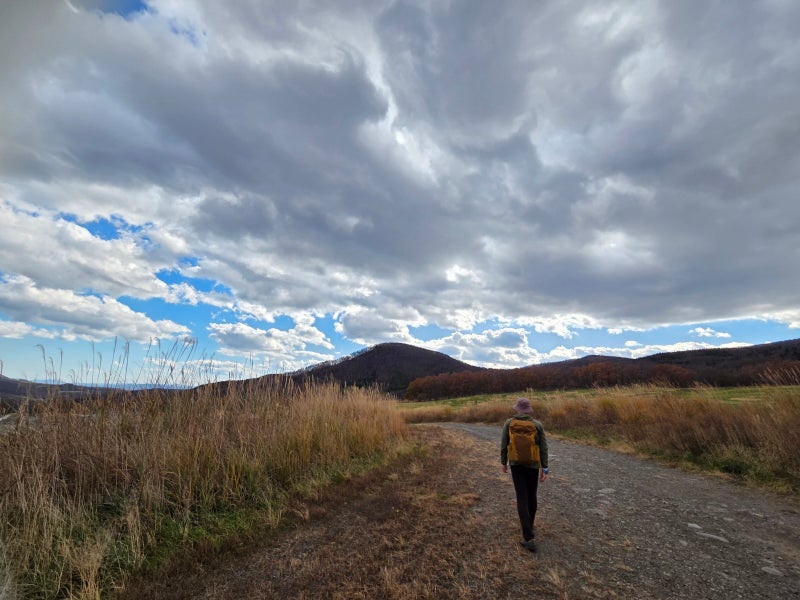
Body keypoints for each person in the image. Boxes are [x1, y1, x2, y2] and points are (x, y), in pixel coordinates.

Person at [501, 397, 549, 552]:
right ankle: (529, 525)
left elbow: (504, 444)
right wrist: (545, 468)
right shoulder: (537, 425)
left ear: (517, 409)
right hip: (533, 465)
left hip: (516, 465)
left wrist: (504, 462)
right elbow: (543, 447)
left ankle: (528, 537)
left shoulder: (509, 423)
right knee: (531, 496)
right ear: (528, 410)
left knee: (521, 498)